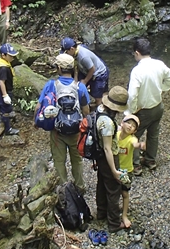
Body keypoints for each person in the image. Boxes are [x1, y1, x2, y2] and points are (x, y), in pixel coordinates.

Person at [35, 54, 90, 191]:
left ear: (59, 68)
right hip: (76, 131)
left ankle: (64, 190)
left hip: (57, 132)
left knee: (59, 161)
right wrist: (86, 128)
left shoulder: (51, 85)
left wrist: (36, 121)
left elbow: (38, 106)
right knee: (76, 160)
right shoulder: (80, 87)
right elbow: (86, 111)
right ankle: (80, 187)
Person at [127, 38, 170, 175]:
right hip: (158, 106)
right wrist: (162, 88)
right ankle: (150, 160)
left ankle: (136, 165)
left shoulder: (137, 71)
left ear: (137, 53)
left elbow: (132, 95)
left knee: (134, 135)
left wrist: (131, 112)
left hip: (143, 110)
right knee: (153, 134)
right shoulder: (159, 64)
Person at [95, 86, 130, 233]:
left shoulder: (99, 110)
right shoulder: (108, 123)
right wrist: (114, 170)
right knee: (114, 189)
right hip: (108, 157)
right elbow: (108, 149)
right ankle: (114, 223)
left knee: (102, 184)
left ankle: (101, 212)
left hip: (99, 155)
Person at [61, 37, 110, 107]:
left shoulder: (83, 57)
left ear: (72, 49)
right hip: (86, 70)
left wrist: (85, 81)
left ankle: (100, 108)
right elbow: (76, 67)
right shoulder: (76, 52)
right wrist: (75, 80)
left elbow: (92, 69)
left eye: (66, 52)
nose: (66, 54)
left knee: (97, 96)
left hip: (99, 74)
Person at [116, 114, 145, 229]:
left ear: (135, 130)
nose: (130, 126)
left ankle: (124, 215)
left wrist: (140, 145)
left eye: (133, 126)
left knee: (125, 193)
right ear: (122, 123)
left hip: (126, 171)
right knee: (113, 191)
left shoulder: (132, 139)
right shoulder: (116, 135)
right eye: (128, 123)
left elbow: (135, 144)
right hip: (114, 168)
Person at [0, 43, 20, 136]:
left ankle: (8, 115)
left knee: (8, 106)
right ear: (3, 55)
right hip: (3, 90)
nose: (13, 58)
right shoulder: (3, 68)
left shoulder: (5, 62)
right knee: (4, 110)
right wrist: (5, 95)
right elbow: (2, 82)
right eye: (11, 56)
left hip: (7, 88)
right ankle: (7, 129)